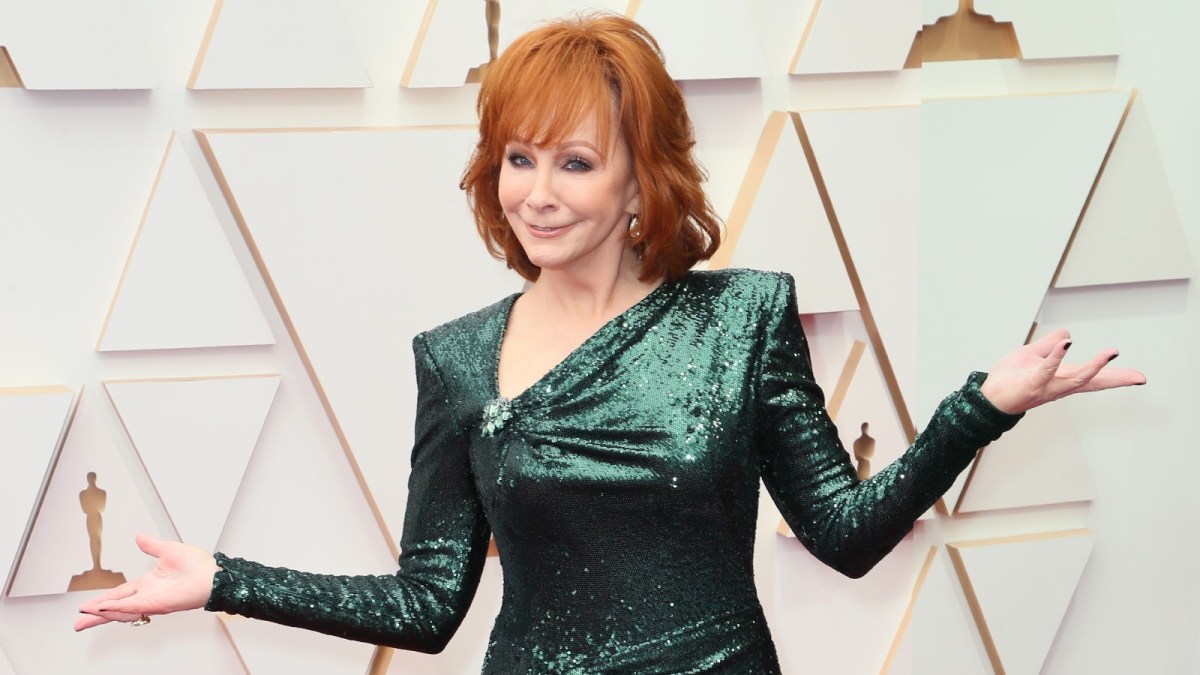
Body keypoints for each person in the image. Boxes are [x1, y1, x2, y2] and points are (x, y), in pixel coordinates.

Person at [74, 14, 1145, 673]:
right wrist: (225, 578)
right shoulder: (455, 359)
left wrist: (979, 410)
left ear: (641, 178)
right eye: (518, 158)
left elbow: (846, 533)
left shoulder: (744, 317)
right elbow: (428, 605)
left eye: (575, 163)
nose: (537, 193)